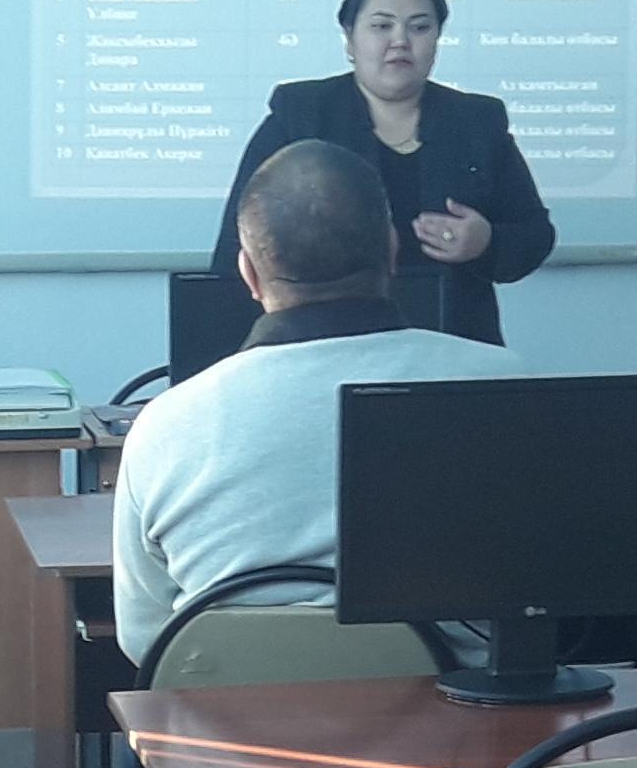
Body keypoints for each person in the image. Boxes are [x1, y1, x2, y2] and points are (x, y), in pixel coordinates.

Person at [118, 139, 523, 659]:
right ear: (392, 250)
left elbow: (145, 641)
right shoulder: (507, 385)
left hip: (231, 709)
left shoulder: (166, 424)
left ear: (248, 273)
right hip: (454, 708)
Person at [208, 0, 555, 347]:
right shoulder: (301, 115)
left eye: (420, 27)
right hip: (321, 345)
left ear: (437, 39)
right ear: (349, 36)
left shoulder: (477, 121)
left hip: (452, 343)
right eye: (382, 26)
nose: (400, 41)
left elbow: (534, 236)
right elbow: (238, 245)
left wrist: (485, 242)